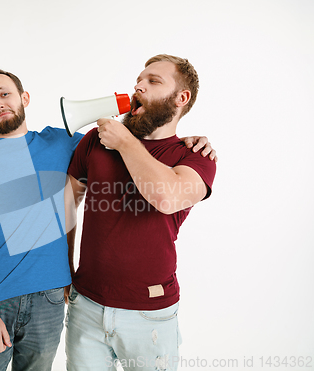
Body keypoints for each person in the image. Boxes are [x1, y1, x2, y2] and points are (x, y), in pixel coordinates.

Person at [0, 68, 216, 371]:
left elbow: (145, 148)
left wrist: (185, 139)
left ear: (25, 98)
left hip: (49, 298)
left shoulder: (62, 142)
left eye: (4, 93)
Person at [65, 54, 217, 371]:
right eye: (139, 79)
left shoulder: (195, 157)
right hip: (86, 307)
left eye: (153, 81)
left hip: (150, 315)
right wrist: (64, 269)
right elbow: (66, 203)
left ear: (181, 98)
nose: (139, 86)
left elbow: (166, 197)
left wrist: (126, 143)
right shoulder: (95, 141)